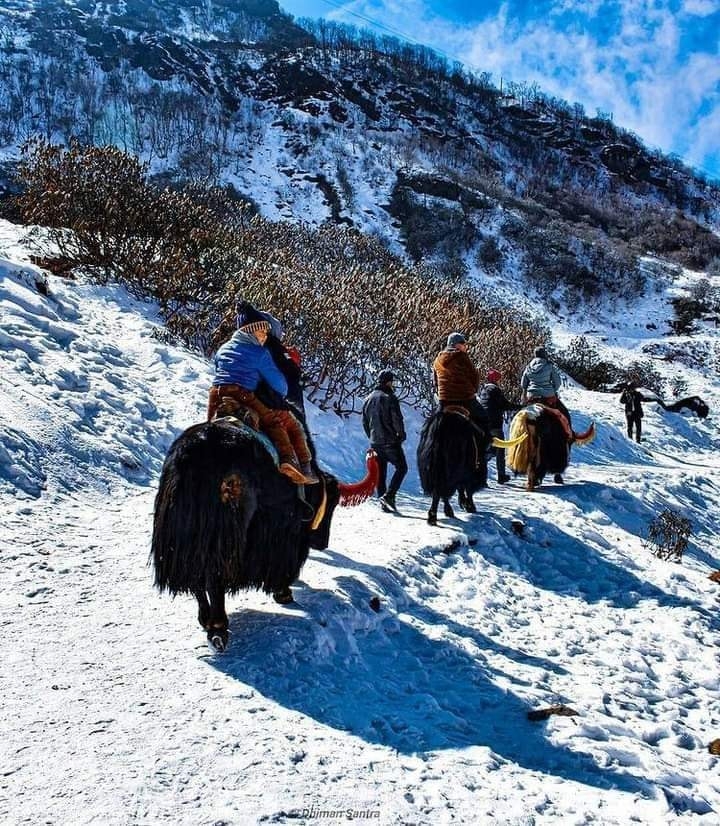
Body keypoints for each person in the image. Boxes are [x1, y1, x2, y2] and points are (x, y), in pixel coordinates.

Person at [207, 305, 318, 485]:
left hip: (217, 393)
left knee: (210, 425)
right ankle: (288, 460)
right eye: (262, 332)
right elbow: (280, 386)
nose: (264, 336)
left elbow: (218, 367)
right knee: (274, 422)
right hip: (243, 394)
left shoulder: (223, 348)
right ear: (250, 331)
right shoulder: (260, 353)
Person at [433, 331, 488, 487]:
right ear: (457, 344)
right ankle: (483, 452)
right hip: (465, 400)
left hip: (444, 402)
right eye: (464, 344)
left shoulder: (437, 359)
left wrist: (442, 393)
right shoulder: (461, 356)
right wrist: (472, 390)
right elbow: (474, 376)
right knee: (484, 421)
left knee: (432, 429)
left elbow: (435, 381)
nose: (465, 347)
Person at [520, 345, 571, 484]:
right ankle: (568, 433)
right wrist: (551, 391)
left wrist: (529, 392)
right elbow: (558, 382)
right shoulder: (549, 366)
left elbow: (523, 383)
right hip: (548, 398)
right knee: (563, 416)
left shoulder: (528, 366)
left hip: (531, 399)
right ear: (544, 355)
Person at [362, 369, 407, 512]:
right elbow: (396, 419)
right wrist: (400, 434)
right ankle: (389, 495)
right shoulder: (390, 397)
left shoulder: (368, 399)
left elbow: (365, 422)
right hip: (390, 441)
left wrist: (372, 436)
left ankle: (383, 501)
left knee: (381, 471)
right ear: (389, 382)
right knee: (402, 468)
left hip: (375, 441)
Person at [477, 369, 521, 484]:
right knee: (500, 449)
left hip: (484, 423)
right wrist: (520, 407)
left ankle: (482, 478)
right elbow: (505, 405)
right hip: (495, 423)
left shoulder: (483, 390)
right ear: (496, 380)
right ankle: (501, 476)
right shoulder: (495, 390)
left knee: (487, 448)